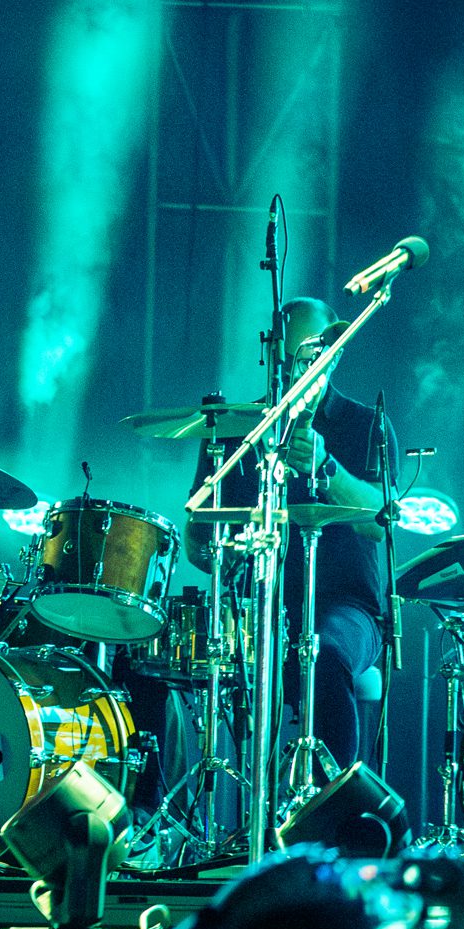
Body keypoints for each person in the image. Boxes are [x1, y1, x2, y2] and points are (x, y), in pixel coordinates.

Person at [188, 296, 391, 771]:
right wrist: (227, 549)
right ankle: (155, 816)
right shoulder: (237, 430)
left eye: (312, 353)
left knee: (320, 653)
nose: (299, 366)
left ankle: (331, 813)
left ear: (335, 352)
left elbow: (379, 520)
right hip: (257, 607)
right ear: (272, 355)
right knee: (155, 656)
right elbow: (198, 537)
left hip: (348, 608)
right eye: (290, 356)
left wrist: (325, 465)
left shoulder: (365, 425)